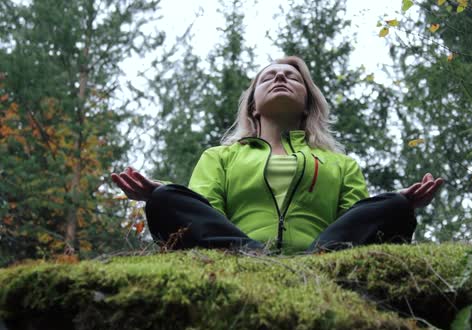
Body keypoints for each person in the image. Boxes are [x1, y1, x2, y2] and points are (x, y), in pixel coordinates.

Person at [111, 55, 444, 256]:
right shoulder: (221, 157)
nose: (280, 77)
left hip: (325, 260)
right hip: (236, 256)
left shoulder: (341, 164)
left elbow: (352, 222)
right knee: (166, 198)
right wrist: (161, 193)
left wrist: (391, 202)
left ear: (307, 102)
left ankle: (318, 263)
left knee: (394, 207)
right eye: (268, 77)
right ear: (254, 104)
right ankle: (253, 256)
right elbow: (203, 214)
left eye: (291, 77)